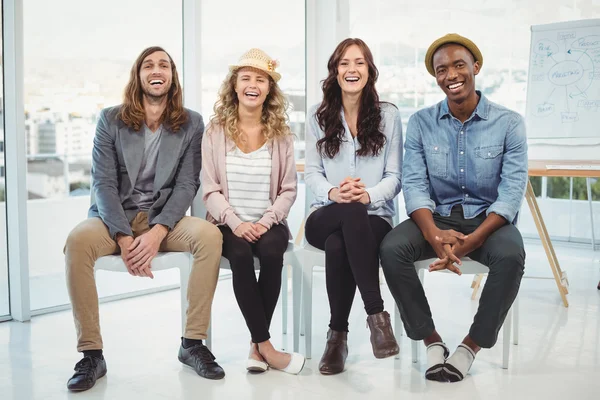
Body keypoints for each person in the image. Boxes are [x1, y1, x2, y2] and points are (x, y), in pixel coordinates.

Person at [64, 46, 225, 392]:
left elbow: (186, 184)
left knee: (210, 236)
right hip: (115, 219)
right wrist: (123, 238)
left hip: (163, 219)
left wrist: (156, 233)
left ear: (172, 76)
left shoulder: (192, 123)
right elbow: (103, 183)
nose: (157, 70)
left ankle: (192, 344)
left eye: (163, 65)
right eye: (149, 65)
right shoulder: (111, 120)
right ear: (139, 75)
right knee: (77, 240)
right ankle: (91, 354)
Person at [380, 33, 527, 382]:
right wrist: (433, 235)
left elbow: (510, 195)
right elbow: (414, 186)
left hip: (488, 218)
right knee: (391, 248)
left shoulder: (509, 123)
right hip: (439, 215)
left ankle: (470, 346)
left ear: (475, 67)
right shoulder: (421, 122)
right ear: (436, 76)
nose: (451, 75)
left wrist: (473, 240)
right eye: (441, 69)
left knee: (511, 256)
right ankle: (431, 341)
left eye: (459, 65)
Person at [201, 48, 305, 374]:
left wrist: (265, 221)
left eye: (261, 79)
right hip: (226, 224)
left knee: (274, 254)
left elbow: (288, 189)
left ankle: (254, 346)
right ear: (234, 86)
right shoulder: (215, 131)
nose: (253, 84)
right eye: (246, 78)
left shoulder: (282, 134)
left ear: (268, 89)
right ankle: (266, 346)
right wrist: (235, 222)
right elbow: (209, 189)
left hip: (268, 222)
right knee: (242, 257)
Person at [304, 38, 402, 375]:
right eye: (345, 63)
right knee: (343, 219)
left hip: (373, 217)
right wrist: (334, 193)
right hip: (324, 214)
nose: (352, 69)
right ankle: (377, 315)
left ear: (369, 71)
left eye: (359, 62)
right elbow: (312, 174)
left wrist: (368, 195)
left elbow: (395, 177)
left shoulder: (388, 116)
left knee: (340, 242)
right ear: (335, 71)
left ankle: (337, 337)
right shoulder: (318, 117)